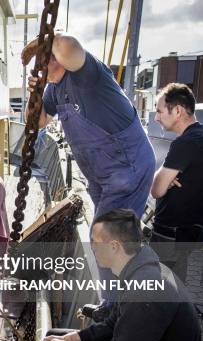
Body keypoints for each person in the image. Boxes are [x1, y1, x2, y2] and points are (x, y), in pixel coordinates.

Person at [22, 32, 156, 313]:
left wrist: (42, 42)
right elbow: (39, 122)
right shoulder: (54, 90)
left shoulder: (85, 75)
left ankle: (115, 310)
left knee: (104, 237)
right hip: (102, 174)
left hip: (126, 167)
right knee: (117, 238)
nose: (41, 69)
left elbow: (67, 45)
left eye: (42, 61)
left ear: (52, 58)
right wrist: (33, 95)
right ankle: (128, 298)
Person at [35, 209, 201, 341]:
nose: (92, 247)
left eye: (95, 242)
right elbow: (112, 323)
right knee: (55, 334)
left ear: (114, 246)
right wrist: (65, 340)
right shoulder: (137, 267)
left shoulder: (144, 290)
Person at [150, 83, 203, 282]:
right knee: (176, 288)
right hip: (192, 231)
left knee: (156, 290)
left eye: (159, 111)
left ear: (177, 110)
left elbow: (157, 189)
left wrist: (164, 179)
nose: (156, 117)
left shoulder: (184, 143)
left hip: (170, 233)